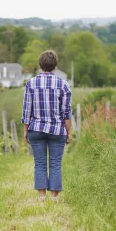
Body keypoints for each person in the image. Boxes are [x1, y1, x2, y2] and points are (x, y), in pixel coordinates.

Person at [21, 50, 72, 203]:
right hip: (57, 130)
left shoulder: (31, 83)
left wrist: (25, 130)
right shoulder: (63, 84)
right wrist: (69, 133)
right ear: (55, 65)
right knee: (55, 162)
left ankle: (42, 197)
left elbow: (26, 109)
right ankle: (54, 198)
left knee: (40, 163)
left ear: (40, 64)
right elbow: (67, 112)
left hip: (36, 129)